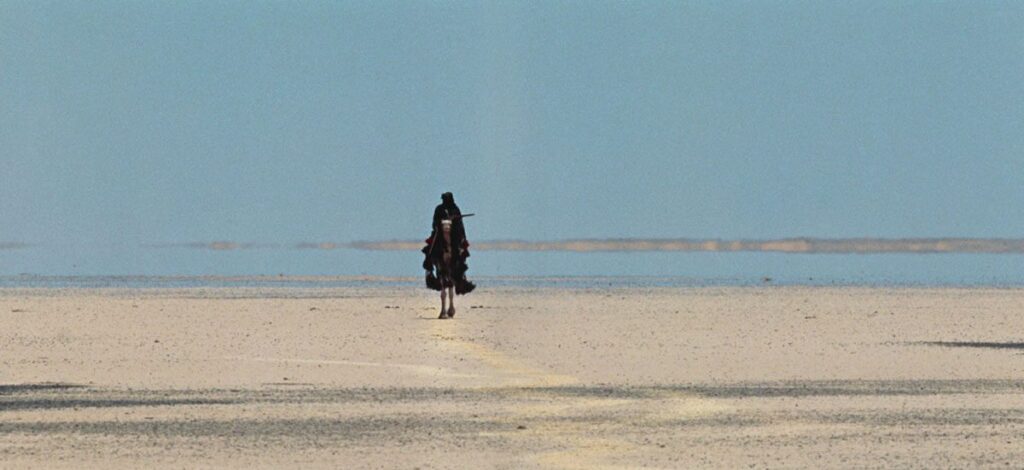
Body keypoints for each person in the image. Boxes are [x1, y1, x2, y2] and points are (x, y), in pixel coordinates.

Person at [422, 192, 474, 317]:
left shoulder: (455, 209)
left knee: (461, 251)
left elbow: (460, 225)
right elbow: (434, 223)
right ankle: (430, 271)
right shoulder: (439, 209)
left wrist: (454, 222)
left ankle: (462, 275)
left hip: (454, 233)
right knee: (430, 249)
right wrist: (440, 223)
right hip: (440, 233)